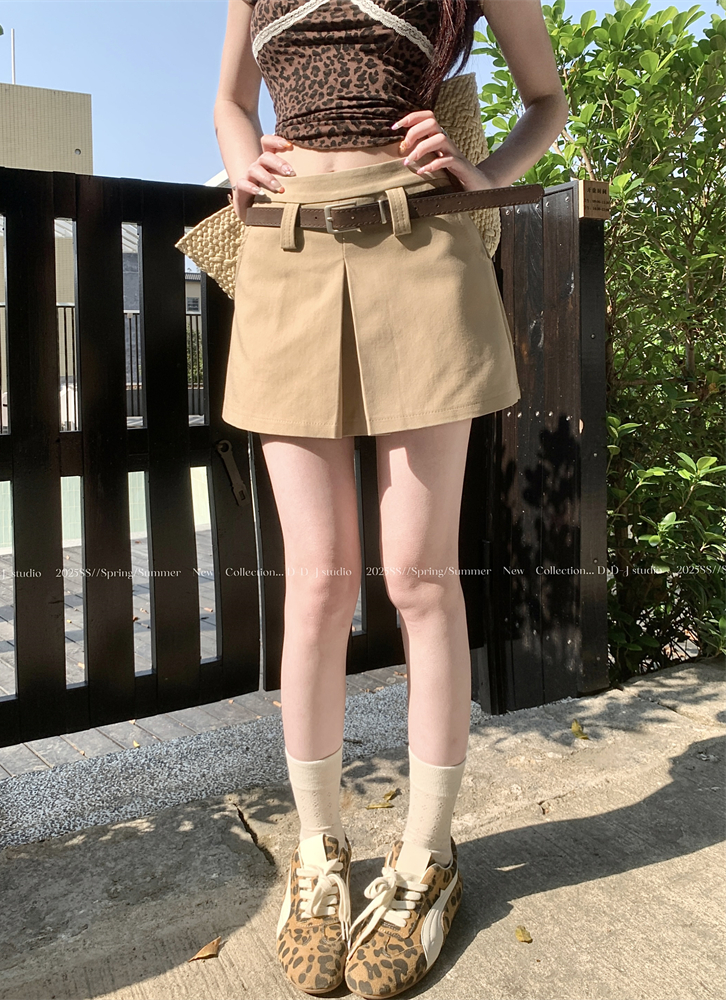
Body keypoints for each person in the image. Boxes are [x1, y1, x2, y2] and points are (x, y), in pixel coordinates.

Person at [213, 1, 568, 996]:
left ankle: (426, 857)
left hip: (421, 244)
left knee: (419, 575)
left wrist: (485, 174)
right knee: (320, 582)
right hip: (286, 247)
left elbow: (545, 99)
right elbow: (230, 101)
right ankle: (318, 849)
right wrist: (240, 159)